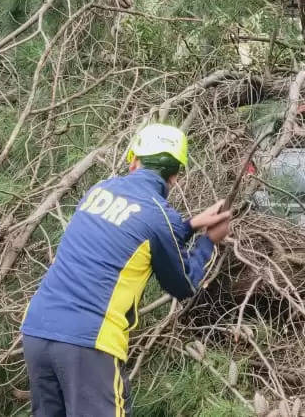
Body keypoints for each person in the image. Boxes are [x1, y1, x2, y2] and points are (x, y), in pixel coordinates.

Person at [20, 124, 233, 417]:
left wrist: (189, 225)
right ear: (175, 177)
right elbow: (183, 284)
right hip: (89, 342)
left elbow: (129, 235)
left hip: (37, 330)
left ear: (133, 160)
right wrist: (209, 241)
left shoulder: (99, 190)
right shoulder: (159, 216)